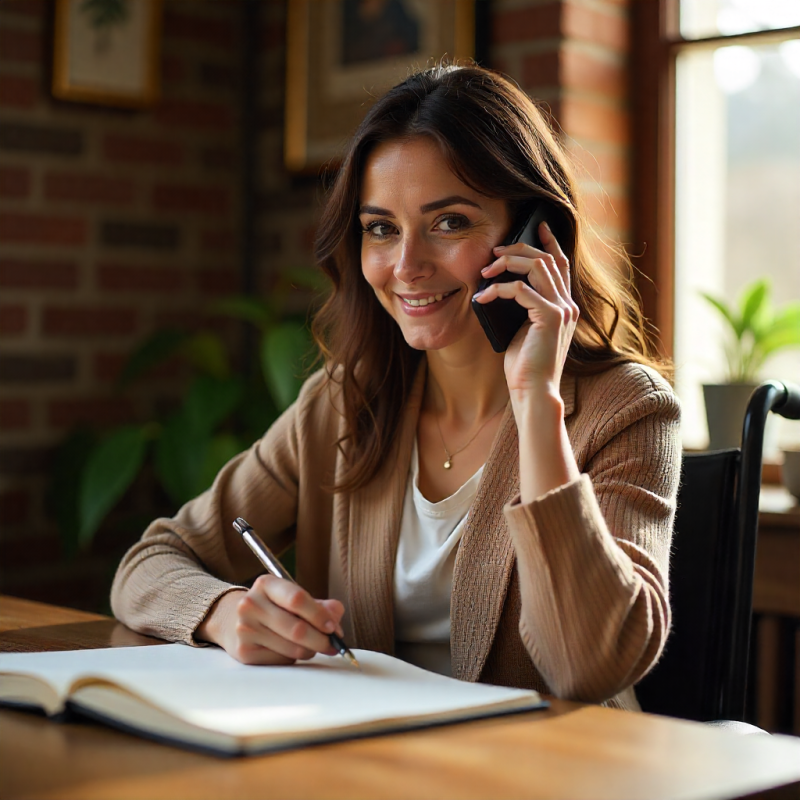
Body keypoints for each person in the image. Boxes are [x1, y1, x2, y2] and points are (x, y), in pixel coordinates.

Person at [111, 64, 681, 710]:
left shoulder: (629, 409)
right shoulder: (342, 404)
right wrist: (223, 611)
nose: (406, 266)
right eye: (381, 228)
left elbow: (587, 669)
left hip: (545, 761)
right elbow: (150, 560)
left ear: (536, 235)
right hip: (371, 755)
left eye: (449, 223)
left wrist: (536, 403)